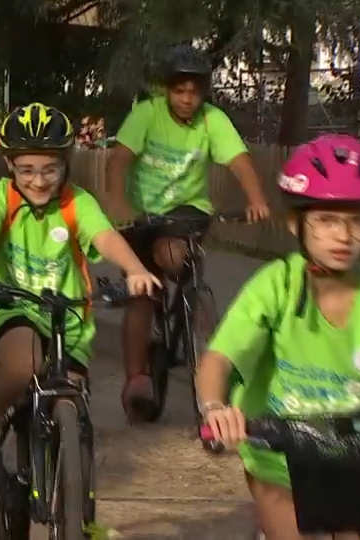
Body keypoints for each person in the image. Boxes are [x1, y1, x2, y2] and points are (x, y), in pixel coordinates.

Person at [0, 102, 160, 466]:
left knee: (75, 408)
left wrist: (135, 269)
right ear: (8, 165)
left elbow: (105, 235)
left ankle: (78, 511)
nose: (39, 180)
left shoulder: (77, 201)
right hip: (8, 308)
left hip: (68, 320)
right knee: (24, 361)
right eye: (27, 170)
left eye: (50, 169)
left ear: (66, 164)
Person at [196, 134, 360, 540]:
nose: (343, 237)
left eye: (358, 220)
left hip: (356, 455)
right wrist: (215, 407)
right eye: (327, 220)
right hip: (279, 453)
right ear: (296, 223)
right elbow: (218, 358)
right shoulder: (277, 284)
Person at [105, 44, 271, 421]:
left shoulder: (213, 119)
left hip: (187, 211)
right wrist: (118, 204)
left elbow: (239, 160)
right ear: (167, 90)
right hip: (143, 213)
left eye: (194, 92)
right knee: (142, 293)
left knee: (175, 254)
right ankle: (136, 380)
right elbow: (118, 162)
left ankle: (196, 322)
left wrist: (256, 198)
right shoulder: (146, 114)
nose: (187, 99)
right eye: (179, 91)